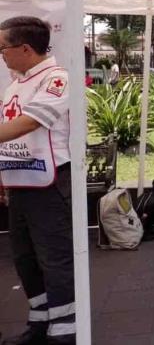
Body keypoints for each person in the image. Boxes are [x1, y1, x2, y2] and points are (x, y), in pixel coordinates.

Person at [0, 17, 75, 344]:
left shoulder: (57, 79)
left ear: (25, 48)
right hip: (18, 181)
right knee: (25, 257)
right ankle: (40, 320)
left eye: (2, 47)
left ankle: (65, 330)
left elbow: (30, 123)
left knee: (53, 257)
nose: (1, 55)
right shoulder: (14, 84)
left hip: (48, 183)